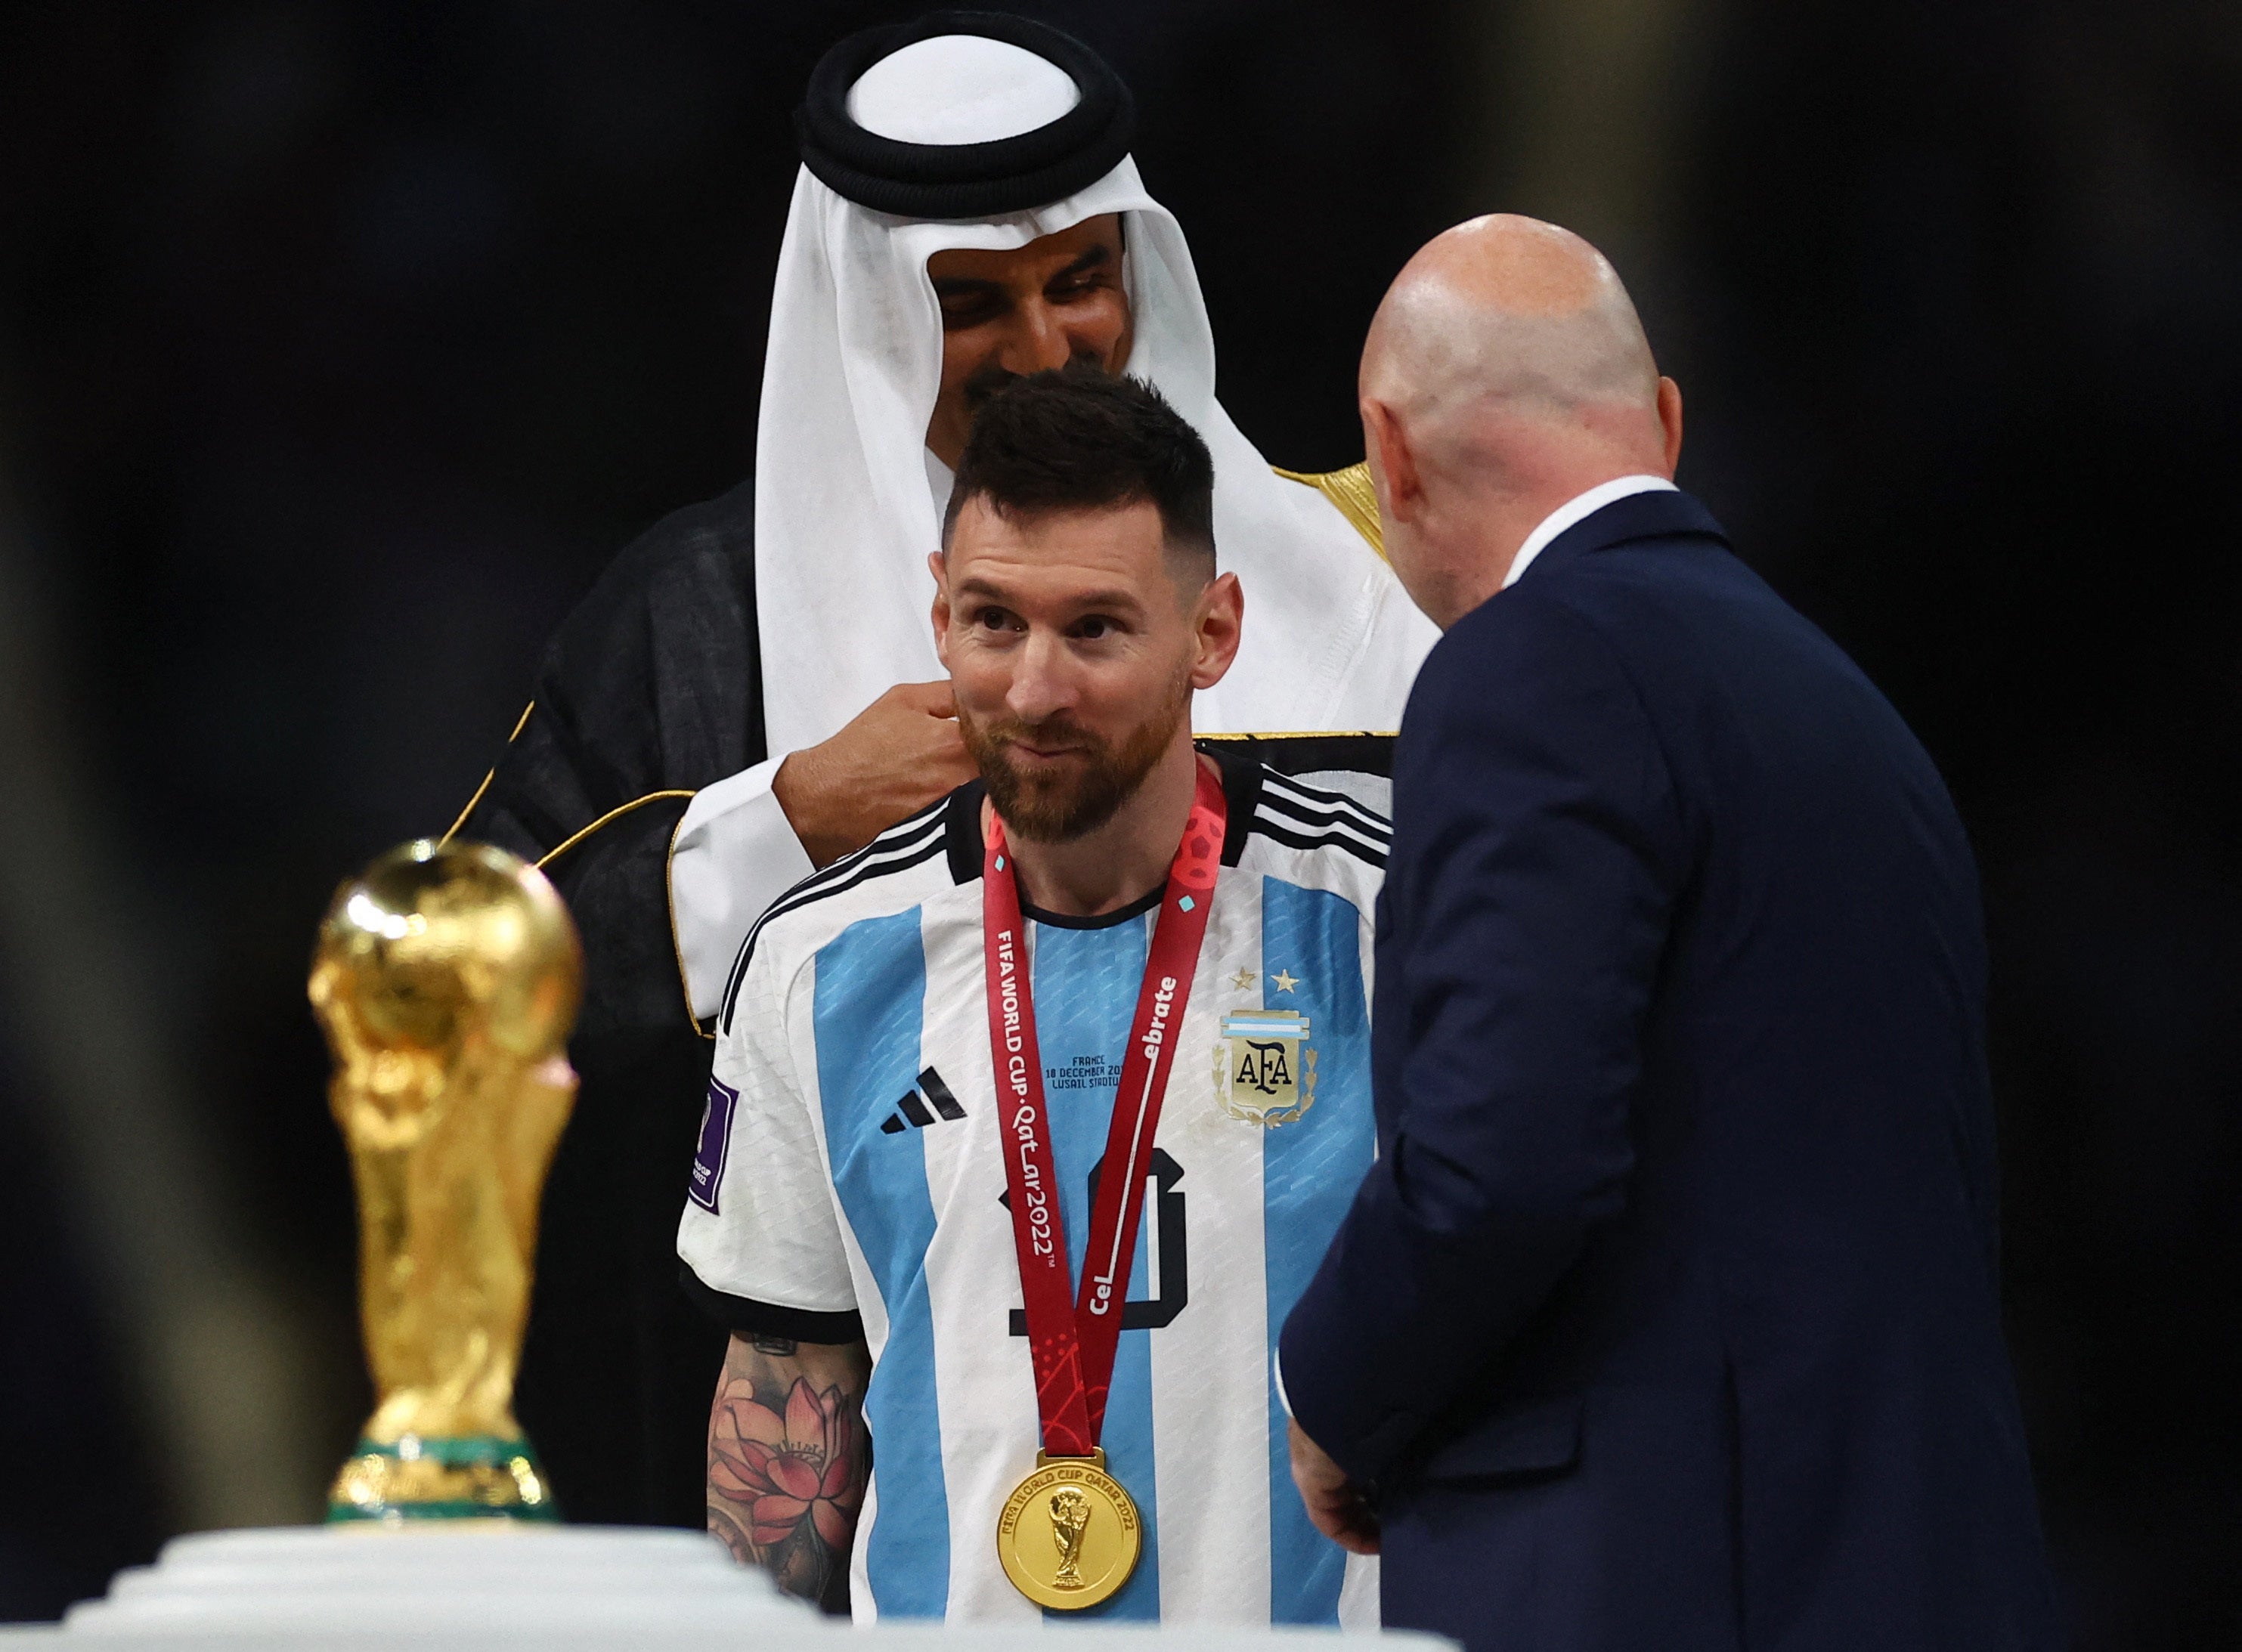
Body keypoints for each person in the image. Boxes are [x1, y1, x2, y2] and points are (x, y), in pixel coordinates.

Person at [447, 13, 1435, 1523]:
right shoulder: (702, 622)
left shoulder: (1358, 576)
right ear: (867, 316)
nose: (1047, 348)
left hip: (1320, 1510)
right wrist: (775, 830)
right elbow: (435, 1006)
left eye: (1081, 281)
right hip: (866, 1523)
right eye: (971, 304)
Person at [1277, 215, 2064, 1650]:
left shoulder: (1531, 668)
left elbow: (1498, 1165)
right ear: (1665, 425)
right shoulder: (1842, 705)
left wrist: (1333, 1391)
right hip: (1899, 1558)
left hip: (1662, 1571)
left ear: (1387, 454)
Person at [678, 368, 1391, 1626]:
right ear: (939, 613)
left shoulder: (1387, 922)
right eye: (993, 621)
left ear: (1213, 632)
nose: (1034, 688)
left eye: (1096, 629)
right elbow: (783, 1395)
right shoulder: (812, 958)